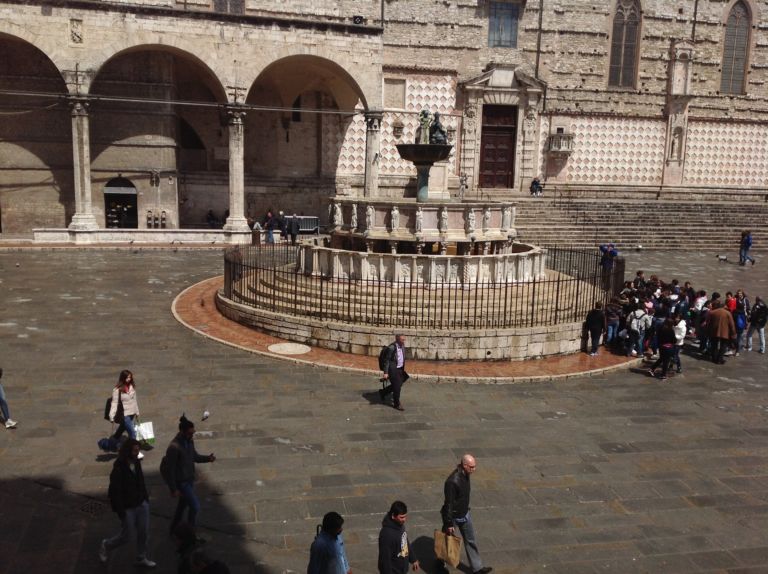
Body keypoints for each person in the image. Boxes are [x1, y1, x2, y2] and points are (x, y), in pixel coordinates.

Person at [99, 438, 157, 568]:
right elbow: (115, 491)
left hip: (141, 503)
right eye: (135, 450)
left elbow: (140, 479)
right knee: (127, 536)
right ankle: (106, 544)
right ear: (128, 451)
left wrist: (145, 498)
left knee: (144, 532)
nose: (138, 453)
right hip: (128, 507)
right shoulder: (119, 467)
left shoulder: (136, 462)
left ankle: (141, 557)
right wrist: (121, 512)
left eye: (138, 450)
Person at [437, 454, 491, 574]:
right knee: (447, 541)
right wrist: (449, 523)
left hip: (465, 514)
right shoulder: (452, 482)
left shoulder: (466, 474)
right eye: (472, 467)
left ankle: (477, 568)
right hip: (453, 517)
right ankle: (440, 564)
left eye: (475, 466)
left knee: (470, 540)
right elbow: (449, 504)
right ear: (464, 465)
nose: (474, 469)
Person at [164, 415, 216, 533]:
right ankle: (190, 532)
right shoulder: (174, 447)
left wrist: (208, 458)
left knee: (182, 506)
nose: (192, 435)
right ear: (182, 432)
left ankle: (173, 529)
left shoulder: (189, 441)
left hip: (189, 479)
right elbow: (170, 470)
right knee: (195, 506)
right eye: (189, 433)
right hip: (182, 483)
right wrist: (173, 489)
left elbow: (195, 457)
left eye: (193, 433)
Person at [110, 370, 143, 458]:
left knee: (120, 431)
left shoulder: (132, 387)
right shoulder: (117, 390)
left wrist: (137, 412)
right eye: (127, 377)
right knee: (133, 433)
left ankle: (112, 442)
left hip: (132, 413)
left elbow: (134, 401)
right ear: (123, 378)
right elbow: (114, 403)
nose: (129, 379)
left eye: (130, 377)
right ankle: (135, 451)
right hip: (124, 415)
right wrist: (112, 416)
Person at [378, 501, 419, 574]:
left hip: (402, 569)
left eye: (405, 516)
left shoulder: (399, 524)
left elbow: (405, 541)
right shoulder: (386, 535)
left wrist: (413, 559)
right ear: (393, 516)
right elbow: (385, 560)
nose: (404, 519)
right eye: (401, 517)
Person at [379, 334, 410, 411]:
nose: (404, 341)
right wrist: (386, 372)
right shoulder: (391, 348)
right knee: (397, 387)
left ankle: (383, 392)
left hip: (400, 369)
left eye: (404, 339)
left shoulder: (402, 346)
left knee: (401, 381)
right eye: (402, 340)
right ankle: (397, 404)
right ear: (397, 340)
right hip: (393, 369)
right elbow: (387, 360)